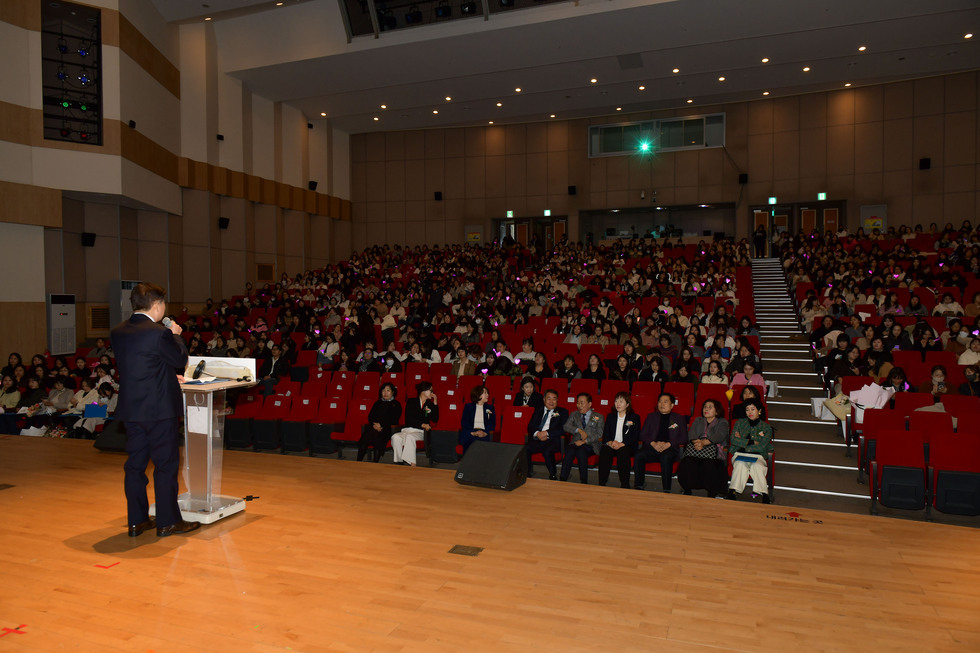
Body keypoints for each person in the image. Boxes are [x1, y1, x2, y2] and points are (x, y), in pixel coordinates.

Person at [111, 282, 198, 538]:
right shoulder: (159, 333)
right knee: (165, 466)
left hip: (132, 410)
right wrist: (175, 334)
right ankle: (167, 521)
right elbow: (179, 359)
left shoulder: (118, 331)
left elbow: (144, 365)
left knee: (135, 467)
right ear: (157, 305)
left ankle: (137, 521)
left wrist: (168, 376)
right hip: (159, 411)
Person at [634, 393, 687, 492]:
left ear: (672, 405)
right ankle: (639, 485)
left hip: (670, 449)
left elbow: (684, 438)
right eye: (660, 401)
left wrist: (669, 444)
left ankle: (666, 489)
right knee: (639, 455)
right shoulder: (651, 416)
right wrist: (653, 443)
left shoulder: (679, 418)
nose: (662, 404)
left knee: (665, 457)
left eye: (665, 402)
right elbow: (643, 435)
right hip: (653, 447)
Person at [677, 399, 729, 497]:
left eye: (710, 407)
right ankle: (687, 489)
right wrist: (697, 442)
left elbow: (720, 435)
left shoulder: (722, 422)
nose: (706, 409)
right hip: (696, 449)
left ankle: (711, 492)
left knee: (710, 465)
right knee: (687, 463)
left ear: (717, 411)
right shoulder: (698, 420)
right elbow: (691, 432)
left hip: (713, 452)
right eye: (705, 407)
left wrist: (704, 443)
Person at [727, 398, 774, 503]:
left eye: (753, 409)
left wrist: (742, 442)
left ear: (759, 410)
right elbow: (733, 440)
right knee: (740, 464)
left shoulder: (766, 427)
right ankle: (732, 492)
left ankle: (764, 494)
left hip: (758, 456)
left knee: (757, 466)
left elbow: (762, 447)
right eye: (747, 409)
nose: (750, 412)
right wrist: (752, 442)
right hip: (739, 454)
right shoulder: (739, 423)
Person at [597, 392, 641, 489]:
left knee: (623, 452)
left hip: (626, 446)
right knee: (605, 450)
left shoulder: (634, 417)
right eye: (616, 401)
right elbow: (606, 434)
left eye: (621, 401)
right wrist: (610, 442)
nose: (618, 404)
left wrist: (622, 444)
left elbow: (635, 436)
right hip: (612, 444)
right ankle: (602, 482)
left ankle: (625, 484)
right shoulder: (610, 416)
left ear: (627, 404)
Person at [390, 382, 438, 466]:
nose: (432, 393)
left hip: (420, 432)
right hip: (408, 429)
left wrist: (435, 403)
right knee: (395, 437)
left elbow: (435, 419)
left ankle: (412, 464)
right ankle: (399, 461)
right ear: (423, 391)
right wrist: (422, 424)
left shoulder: (430, 404)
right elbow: (409, 418)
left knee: (410, 437)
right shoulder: (411, 401)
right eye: (430, 391)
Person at [560, 393, 604, 483]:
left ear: (590, 404)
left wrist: (585, 441)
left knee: (581, 451)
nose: (579, 405)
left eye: (582, 403)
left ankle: (584, 480)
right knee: (569, 450)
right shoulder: (574, 414)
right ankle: (563, 478)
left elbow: (599, 434)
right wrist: (578, 430)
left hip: (591, 445)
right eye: (578, 403)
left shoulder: (598, 417)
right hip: (575, 443)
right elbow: (566, 427)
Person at [525, 389, 567, 480]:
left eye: (554, 399)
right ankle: (527, 473)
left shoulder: (562, 412)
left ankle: (553, 475)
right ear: (544, 399)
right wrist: (538, 433)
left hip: (553, 440)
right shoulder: (538, 410)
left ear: (557, 400)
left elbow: (563, 429)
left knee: (547, 450)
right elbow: (531, 426)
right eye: (549, 399)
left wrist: (547, 433)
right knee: (525, 448)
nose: (551, 402)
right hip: (538, 438)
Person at [357, 382, 402, 462]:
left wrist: (381, 425)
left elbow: (394, 419)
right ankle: (360, 461)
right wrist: (374, 425)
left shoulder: (396, 404)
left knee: (373, 435)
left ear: (393, 392)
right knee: (371, 434)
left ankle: (371, 462)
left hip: (387, 429)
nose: (385, 393)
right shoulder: (377, 403)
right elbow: (370, 417)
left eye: (388, 390)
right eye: (383, 391)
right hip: (374, 427)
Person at [459, 385, 496, 453]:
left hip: (484, 432)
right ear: (478, 395)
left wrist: (485, 432)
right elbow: (464, 422)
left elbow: (492, 423)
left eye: (487, 393)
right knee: (469, 440)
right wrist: (473, 432)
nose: (487, 395)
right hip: (471, 432)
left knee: (483, 443)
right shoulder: (468, 407)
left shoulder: (490, 408)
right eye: (485, 393)